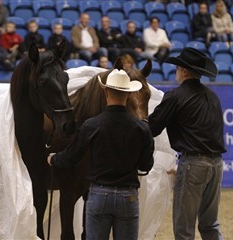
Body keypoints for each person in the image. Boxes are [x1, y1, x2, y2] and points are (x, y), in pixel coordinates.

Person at [47, 69, 154, 240]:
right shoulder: (142, 128)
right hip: (128, 195)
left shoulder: (91, 126)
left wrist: (54, 159)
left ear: (105, 91)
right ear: (129, 95)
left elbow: (72, 155)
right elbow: (146, 165)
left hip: (99, 194)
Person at [148, 47, 226, 240]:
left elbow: (152, 127)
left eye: (177, 68)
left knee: (184, 227)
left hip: (194, 164)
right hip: (216, 163)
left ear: (183, 71)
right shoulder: (212, 96)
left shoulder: (175, 96)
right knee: (210, 223)